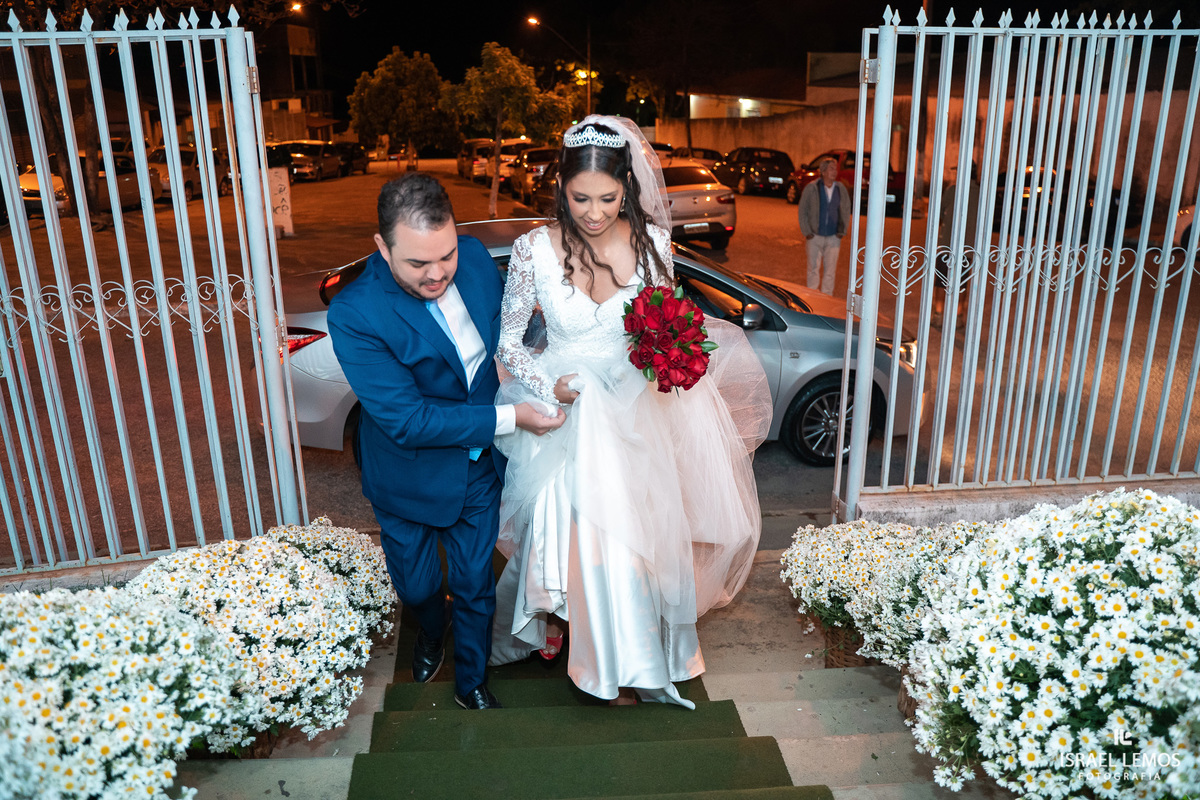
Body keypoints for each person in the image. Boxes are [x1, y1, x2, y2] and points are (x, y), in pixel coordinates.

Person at [488, 116, 772, 707]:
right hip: (563, 412)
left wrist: (663, 361)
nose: (593, 213)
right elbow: (510, 342)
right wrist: (551, 383)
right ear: (560, 188)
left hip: (633, 412)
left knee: (628, 540)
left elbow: (667, 326)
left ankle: (628, 656)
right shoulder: (532, 249)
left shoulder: (654, 245)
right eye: (580, 198)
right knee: (575, 540)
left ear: (628, 189)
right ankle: (579, 645)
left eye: (608, 199)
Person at [327, 173, 564, 711]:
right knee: (415, 588)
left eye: (446, 256)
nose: (437, 274)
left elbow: (512, 332)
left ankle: (471, 683)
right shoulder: (355, 313)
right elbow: (407, 421)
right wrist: (510, 417)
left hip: (478, 467)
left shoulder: (477, 257)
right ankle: (433, 628)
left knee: (476, 582)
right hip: (407, 474)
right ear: (382, 247)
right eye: (417, 264)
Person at [798, 157, 852, 295]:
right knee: (813, 269)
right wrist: (807, 231)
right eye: (831, 169)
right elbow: (802, 210)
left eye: (835, 169)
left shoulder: (840, 188)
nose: (834, 172)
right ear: (823, 171)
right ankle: (812, 298)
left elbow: (846, 209)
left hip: (833, 237)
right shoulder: (812, 188)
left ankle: (826, 299)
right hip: (814, 236)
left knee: (830, 271)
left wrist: (842, 229)